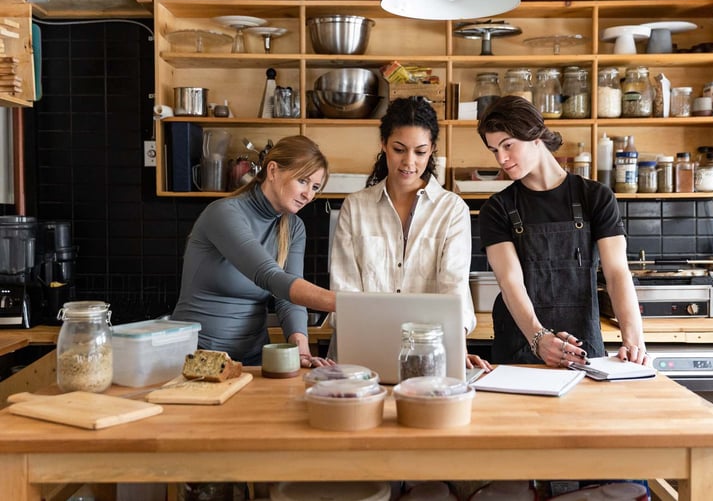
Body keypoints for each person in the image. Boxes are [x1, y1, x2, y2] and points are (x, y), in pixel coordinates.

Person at [477, 96, 647, 367]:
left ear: (536, 136)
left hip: (584, 348)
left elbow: (617, 273)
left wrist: (634, 341)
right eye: (494, 150)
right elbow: (510, 283)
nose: (501, 158)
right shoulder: (497, 209)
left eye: (508, 145)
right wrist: (538, 338)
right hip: (520, 348)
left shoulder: (595, 197)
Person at [329, 96, 491, 372]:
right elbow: (344, 292)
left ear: (432, 151)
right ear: (383, 145)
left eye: (420, 151)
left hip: (428, 354)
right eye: (399, 149)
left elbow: (454, 285)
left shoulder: (451, 210)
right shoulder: (355, 207)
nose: (409, 162)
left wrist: (458, 347)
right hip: (359, 352)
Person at [172, 135, 335, 368]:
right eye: (302, 181)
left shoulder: (294, 227)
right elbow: (270, 276)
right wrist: (344, 302)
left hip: (253, 361)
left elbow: (288, 298)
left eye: (315, 187)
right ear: (273, 171)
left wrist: (302, 353)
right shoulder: (224, 213)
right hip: (198, 358)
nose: (309, 195)